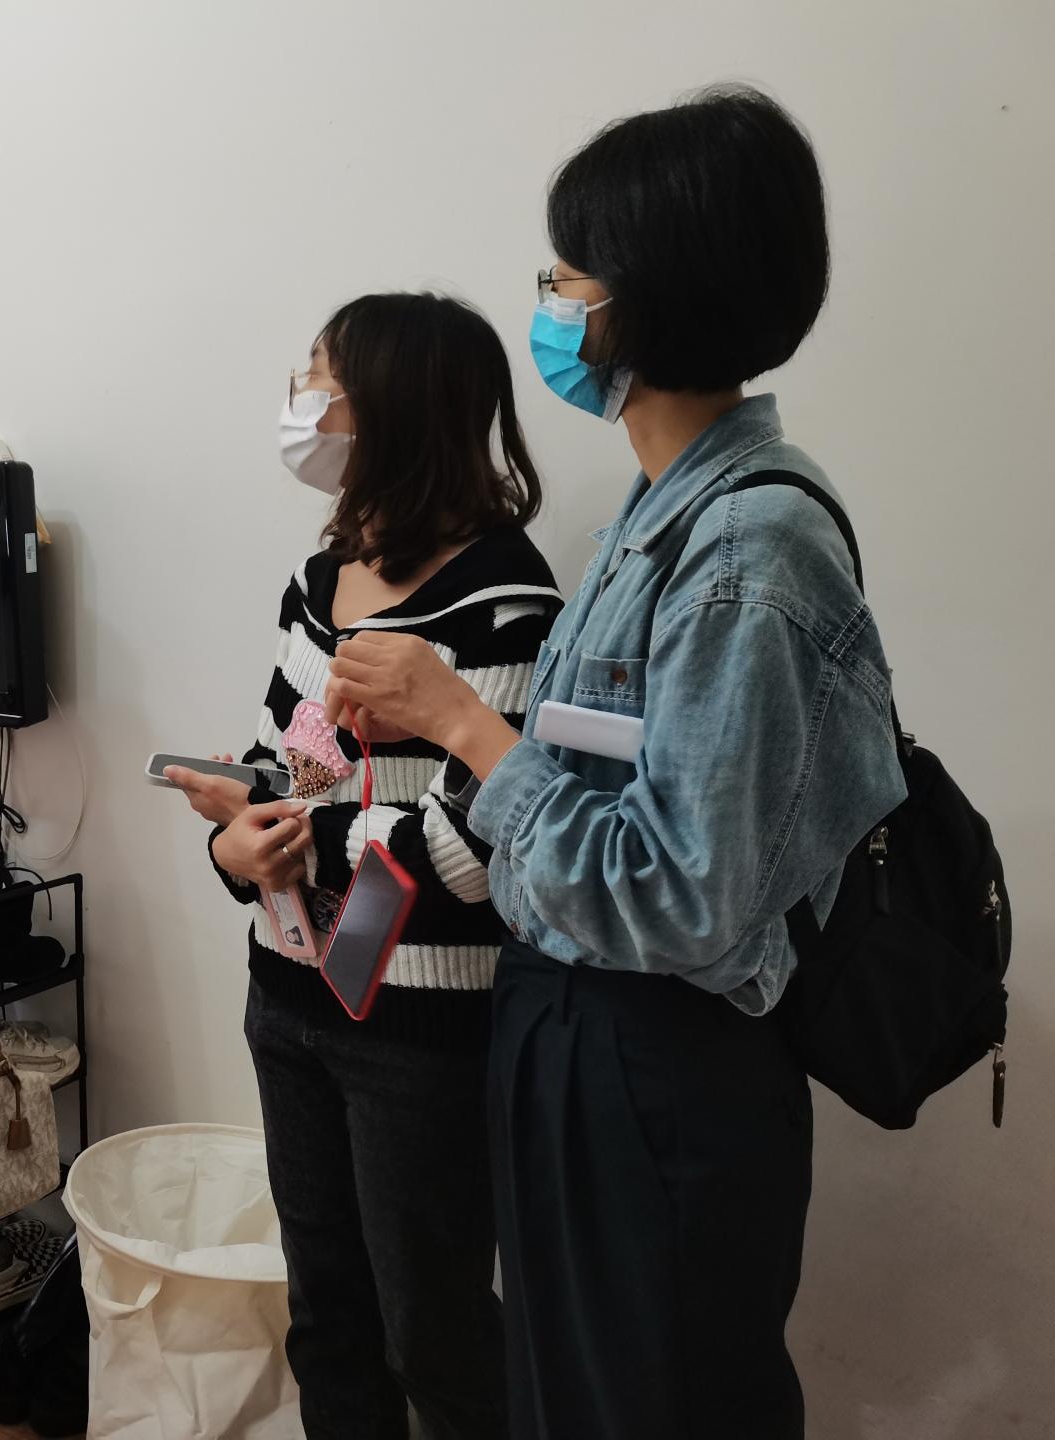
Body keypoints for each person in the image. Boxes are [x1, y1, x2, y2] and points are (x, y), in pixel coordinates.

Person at [324, 88, 906, 1439]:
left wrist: (465, 726)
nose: (550, 303)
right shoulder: (659, 518)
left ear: (650, 296)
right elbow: (597, 787)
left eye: (567, 274)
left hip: (661, 1057)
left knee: (655, 1400)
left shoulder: (750, 553)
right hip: (575, 1028)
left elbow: (683, 895)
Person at [170, 292, 562, 1440]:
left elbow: (473, 851)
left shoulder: (507, 602)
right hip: (289, 998)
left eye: (323, 378)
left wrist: (298, 837)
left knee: (434, 1335)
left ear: (395, 406)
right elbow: (290, 762)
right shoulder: (322, 579)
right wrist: (234, 842)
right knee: (327, 1318)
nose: (303, 401)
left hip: (421, 1035)